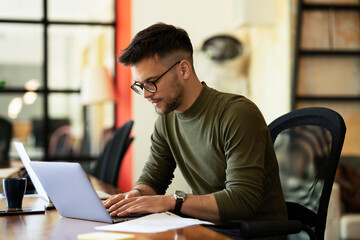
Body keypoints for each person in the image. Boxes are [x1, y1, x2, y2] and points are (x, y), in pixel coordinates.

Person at [104, 22, 287, 224]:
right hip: (207, 228)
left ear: (183, 69)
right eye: (140, 85)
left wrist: (171, 202)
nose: (146, 94)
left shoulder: (237, 114)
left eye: (151, 82)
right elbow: (154, 179)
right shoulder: (166, 120)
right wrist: (135, 196)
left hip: (251, 234)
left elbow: (242, 201)